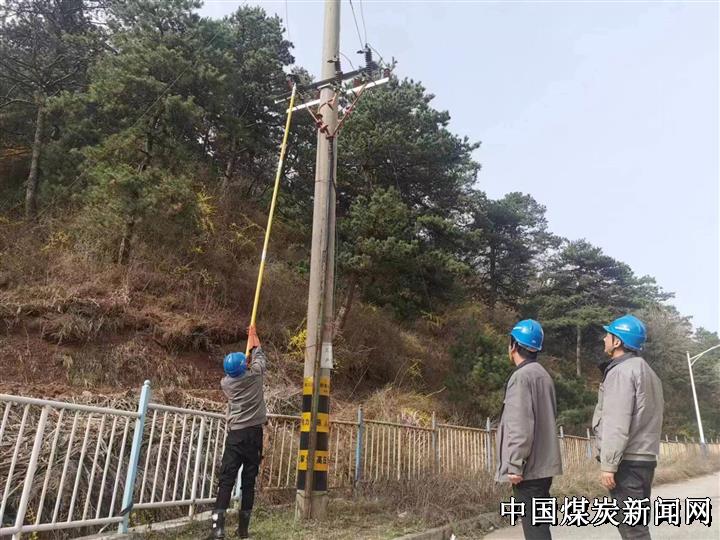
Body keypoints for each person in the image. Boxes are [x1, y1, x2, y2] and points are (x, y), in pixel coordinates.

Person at [592, 315, 664, 540]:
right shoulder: (649, 372)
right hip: (645, 459)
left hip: (627, 462)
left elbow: (616, 421)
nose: (604, 339)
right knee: (636, 526)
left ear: (618, 341)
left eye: (608, 335)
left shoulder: (621, 372)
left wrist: (609, 464)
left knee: (633, 530)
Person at [496, 319, 563, 540]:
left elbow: (520, 424)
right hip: (544, 466)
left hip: (529, 469)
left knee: (535, 531)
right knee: (540, 526)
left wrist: (515, 464)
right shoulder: (543, 375)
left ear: (514, 345)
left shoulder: (521, 377)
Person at [210, 325, 266, 539]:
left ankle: (217, 529)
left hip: (236, 436)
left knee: (226, 479)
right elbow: (260, 358)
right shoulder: (256, 375)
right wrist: (254, 338)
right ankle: (243, 530)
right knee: (249, 482)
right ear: (245, 366)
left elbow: (247, 366)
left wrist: (245, 359)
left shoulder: (226, 383)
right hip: (254, 435)